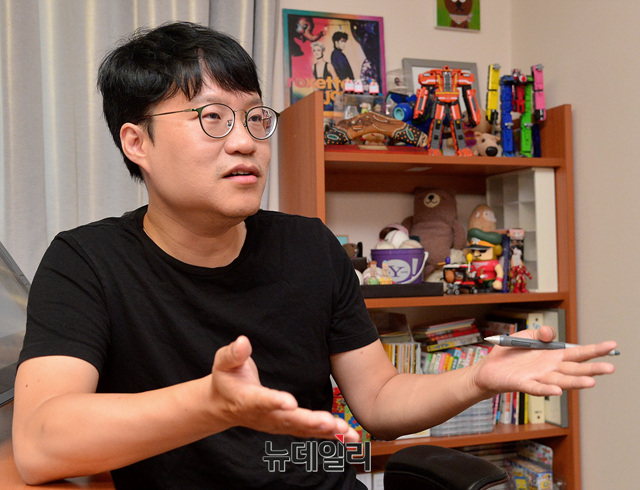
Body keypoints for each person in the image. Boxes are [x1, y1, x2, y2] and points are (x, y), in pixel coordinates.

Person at [12, 21, 617, 489]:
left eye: (255, 117)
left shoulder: (309, 246)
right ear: (136, 141)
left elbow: (378, 400)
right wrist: (211, 403)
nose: (246, 141)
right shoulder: (85, 262)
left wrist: (478, 378)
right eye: (212, 118)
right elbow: (40, 442)